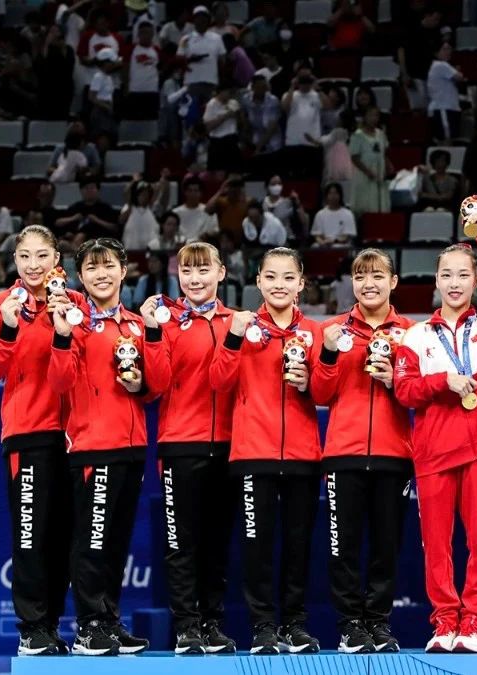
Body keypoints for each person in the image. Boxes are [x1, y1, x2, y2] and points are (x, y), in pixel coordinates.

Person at [393, 216, 477, 654]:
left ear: (475, 280)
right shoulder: (415, 335)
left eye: (463, 275)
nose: (454, 283)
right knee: (437, 545)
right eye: (446, 275)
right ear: (435, 280)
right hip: (432, 453)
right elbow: (405, 391)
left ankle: (473, 625)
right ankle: (445, 621)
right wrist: (442, 381)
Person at [211, 248, 323, 655]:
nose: (279, 284)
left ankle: (294, 625)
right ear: (258, 281)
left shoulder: (315, 331)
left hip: (303, 455)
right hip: (252, 452)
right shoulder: (240, 327)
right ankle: (262, 627)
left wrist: (309, 382)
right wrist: (234, 337)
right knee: (257, 547)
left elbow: (327, 391)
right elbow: (219, 381)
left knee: (297, 546)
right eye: (271, 276)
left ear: (301, 283)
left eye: (288, 277)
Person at [0, 226, 82, 656]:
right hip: (27, 434)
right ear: (15, 260)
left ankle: (50, 625)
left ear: (56, 257)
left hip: (75, 437)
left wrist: (63, 325)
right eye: (25, 256)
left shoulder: (74, 304)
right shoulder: (0, 304)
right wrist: (7, 328)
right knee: (31, 535)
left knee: (63, 538)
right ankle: (32, 628)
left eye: (42, 255)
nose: (33, 265)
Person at [47, 238, 154, 656]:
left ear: (124, 271)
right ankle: (89, 626)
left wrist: (141, 384)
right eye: (91, 268)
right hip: (93, 447)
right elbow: (60, 382)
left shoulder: (137, 325)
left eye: (108, 265)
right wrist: (61, 336)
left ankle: (108, 620)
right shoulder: (74, 323)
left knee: (116, 542)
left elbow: (154, 387)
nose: (101, 274)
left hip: (132, 447)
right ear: (80, 277)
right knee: (92, 541)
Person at [313, 250, 415, 653]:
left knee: (386, 546)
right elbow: (319, 393)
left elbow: (417, 396)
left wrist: (394, 380)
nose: (368, 284)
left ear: (393, 282)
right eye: (360, 276)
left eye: (376, 276)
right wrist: (328, 352)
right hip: (344, 452)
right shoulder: (331, 330)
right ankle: (350, 626)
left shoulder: (412, 332)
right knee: (343, 546)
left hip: (394, 454)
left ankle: (378, 623)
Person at [139, 242, 239, 655]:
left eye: (203, 270)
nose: (195, 279)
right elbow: (156, 383)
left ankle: (212, 624)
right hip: (180, 445)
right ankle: (186, 628)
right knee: (182, 543)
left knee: (217, 543)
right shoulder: (166, 321)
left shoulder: (238, 322)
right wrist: (150, 331)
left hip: (231, 446)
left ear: (221, 273)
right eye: (187, 271)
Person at [349, 106, 391, 214]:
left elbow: (384, 153)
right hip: (364, 174)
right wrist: (367, 172)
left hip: (379, 172)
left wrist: (388, 166)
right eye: (371, 115)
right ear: (364, 117)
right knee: (365, 205)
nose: (374, 118)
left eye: (376, 115)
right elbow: (354, 157)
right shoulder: (358, 135)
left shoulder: (381, 134)